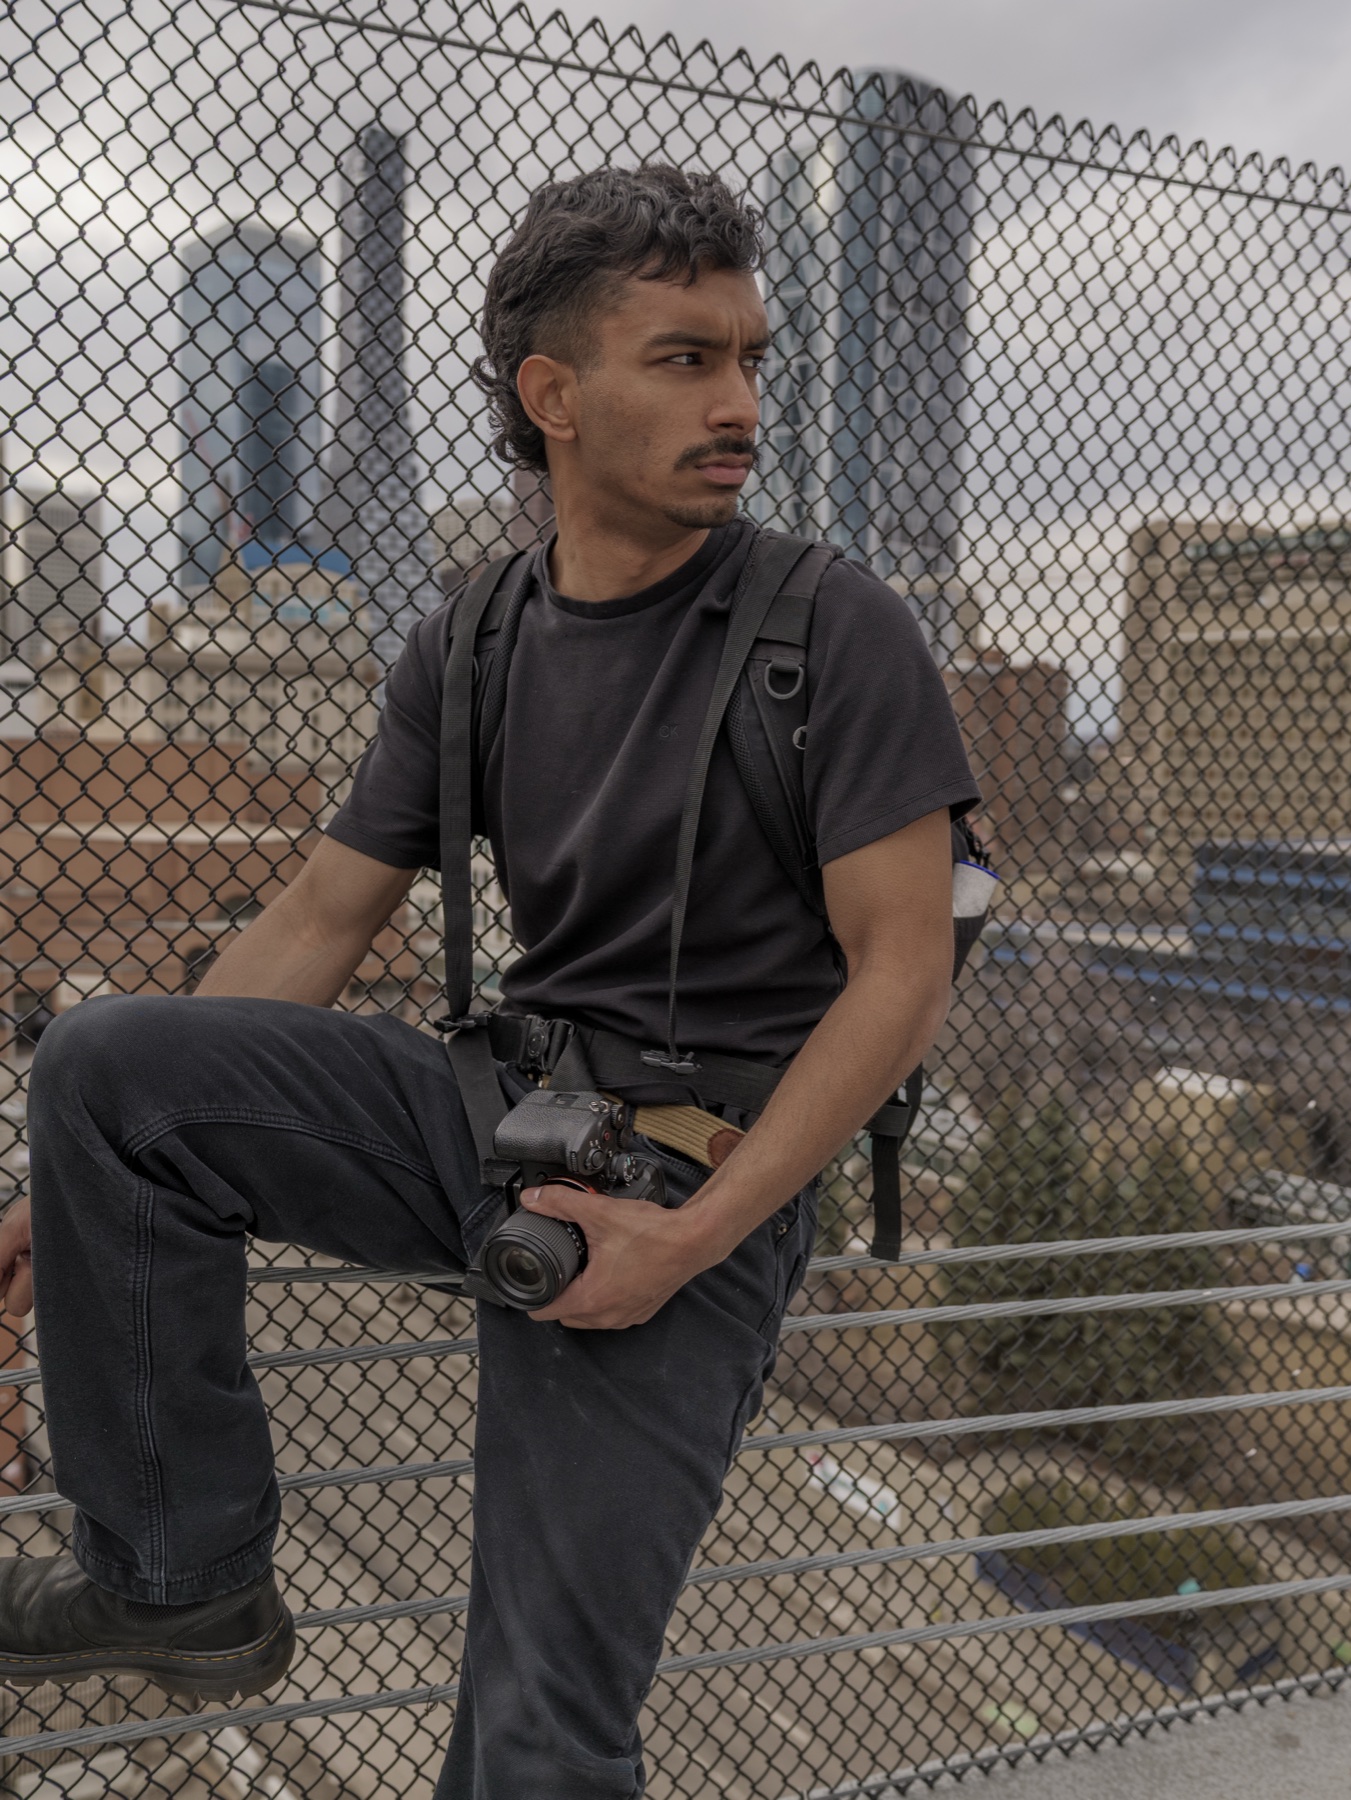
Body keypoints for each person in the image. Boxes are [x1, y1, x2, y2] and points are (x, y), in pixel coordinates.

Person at [0, 165, 979, 1796]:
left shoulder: (834, 628)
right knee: (109, 1066)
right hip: (509, 1110)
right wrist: (89, 1179)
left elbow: (902, 977)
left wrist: (688, 1240)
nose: (740, 399)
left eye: (751, 355)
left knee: (535, 1732)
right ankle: (179, 1585)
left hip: (703, 1170)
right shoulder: (472, 635)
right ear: (553, 397)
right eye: (685, 358)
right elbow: (320, 912)